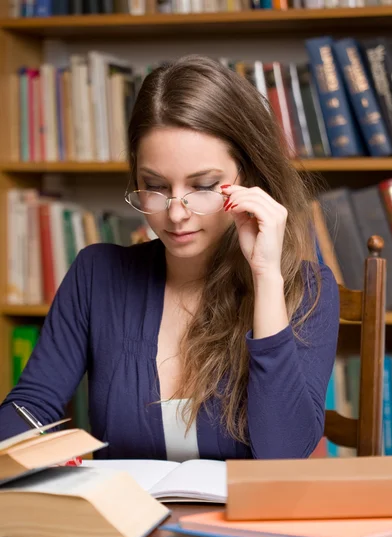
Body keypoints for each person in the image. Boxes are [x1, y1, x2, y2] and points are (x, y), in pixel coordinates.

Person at [0, 55, 339, 460]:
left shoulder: (307, 289)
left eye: (203, 186)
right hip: (128, 521)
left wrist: (266, 277)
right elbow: (31, 408)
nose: (176, 213)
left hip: (240, 524)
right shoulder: (97, 275)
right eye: (155, 186)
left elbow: (285, 456)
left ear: (249, 180)